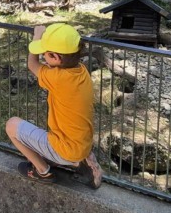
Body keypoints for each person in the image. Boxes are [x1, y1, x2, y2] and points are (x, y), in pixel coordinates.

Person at [6, 23, 102, 188]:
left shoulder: (58, 78)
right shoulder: (81, 71)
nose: (43, 57)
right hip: (83, 145)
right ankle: (79, 162)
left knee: (11, 125)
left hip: (65, 150)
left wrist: (37, 36)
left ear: (55, 57)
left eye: (45, 54)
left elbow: (32, 64)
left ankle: (42, 171)